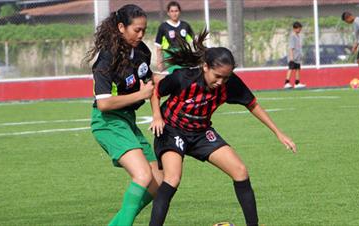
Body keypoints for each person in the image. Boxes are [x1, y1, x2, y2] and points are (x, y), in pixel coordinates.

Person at [148, 31, 297, 226]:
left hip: (201, 132)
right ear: (205, 67)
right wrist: (157, 116)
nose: (221, 82)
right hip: (172, 130)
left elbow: (252, 104)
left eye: (225, 78)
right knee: (172, 178)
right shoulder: (183, 78)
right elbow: (155, 92)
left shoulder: (230, 83)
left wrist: (279, 133)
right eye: (217, 76)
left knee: (240, 171)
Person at [83, 4, 162, 226]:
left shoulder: (142, 52)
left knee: (158, 183)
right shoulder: (107, 59)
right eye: (136, 30)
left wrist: (156, 115)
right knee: (143, 176)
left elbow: (150, 84)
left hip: (127, 121)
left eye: (144, 30)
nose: (141, 34)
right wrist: (141, 93)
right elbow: (105, 103)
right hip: (107, 122)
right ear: (121, 27)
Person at [155, 1, 194, 73]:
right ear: (168, 13)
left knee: (185, 76)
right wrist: (160, 63)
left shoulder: (185, 25)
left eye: (176, 11)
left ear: (180, 12)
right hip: (170, 55)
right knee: (174, 77)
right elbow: (158, 47)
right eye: (172, 11)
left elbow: (192, 43)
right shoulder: (163, 27)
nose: (174, 13)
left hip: (183, 54)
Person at [342, 11, 359, 88]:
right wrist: (356, 45)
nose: (347, 23)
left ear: (349, 17)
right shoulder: (355, 22)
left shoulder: (357, 20)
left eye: (346, 21)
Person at [284, 21, 306, 89]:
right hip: (293, 56)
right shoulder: (292, 36)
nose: (300, 30)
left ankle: (297, 83)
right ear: (294, 29)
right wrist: (291, 57)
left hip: (297, 56)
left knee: (297, 69)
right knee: (290, 69)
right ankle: (287, 82)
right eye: (299, 29)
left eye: (300, 29)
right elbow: (291, 47)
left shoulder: (298, 36)